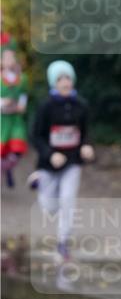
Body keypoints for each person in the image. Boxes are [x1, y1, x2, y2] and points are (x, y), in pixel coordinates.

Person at [31, 61, 95, 259]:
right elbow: (35, 136)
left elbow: (85, 132)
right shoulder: (46, 107)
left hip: (73, 162)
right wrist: (50, 154)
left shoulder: (81, 105)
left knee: (68, 200)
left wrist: (86, 145)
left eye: (68, 78)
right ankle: (38, 180)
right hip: (48, 164)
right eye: (60, 79)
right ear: (54, 83)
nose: (65, 82)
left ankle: (63, 241)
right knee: (50, 207)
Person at [1, 44, 29, 188]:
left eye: (11, 57)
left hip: (15, 119)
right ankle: (6, 170)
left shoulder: (22, 78)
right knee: (2, 150)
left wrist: (22, 104)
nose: (9, 60)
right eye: (6, 57)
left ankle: (6, 169)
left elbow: (24, 93)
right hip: (2, 120)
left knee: (17, 149)